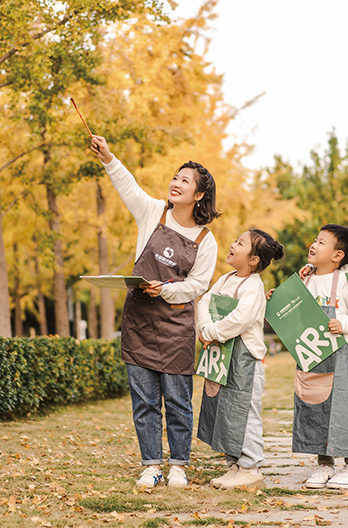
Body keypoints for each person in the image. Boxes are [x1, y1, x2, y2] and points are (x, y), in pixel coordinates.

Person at [90, 135, 220, 488]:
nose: (175, 183)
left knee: (178, 401)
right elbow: (127, 186)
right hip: (138, 322)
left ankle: (178, 464)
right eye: (175, 177)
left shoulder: (206, 240)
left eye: (184, 181)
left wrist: (166, 290)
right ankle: (151, 464)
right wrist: (108, 157)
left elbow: (197, 285)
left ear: (199, 195)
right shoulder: (152, 212)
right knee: (144, 400)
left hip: (176, 326)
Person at [278, 225, 348, 489]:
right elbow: (291, 311)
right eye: (315, 240)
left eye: (321, 242)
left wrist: (345, 324)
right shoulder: (304, 279)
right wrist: (277, 300)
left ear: (337, 255)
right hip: (311, 354)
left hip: (340, 352)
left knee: (345, 409)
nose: (313, 245)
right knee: (314, 407)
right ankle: (325, 464)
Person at [197, 229, 284, 490]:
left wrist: (211, 332)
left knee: (244, 412)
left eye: (240, 243)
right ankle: (234, 465)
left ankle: (251, 467)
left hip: (244, 359)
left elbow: (240, 319)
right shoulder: (224, 279)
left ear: (254, 259)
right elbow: (205, 302)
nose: (233, 244)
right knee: (224, 412)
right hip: (222, 356)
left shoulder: (254, 286)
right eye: (235, 240)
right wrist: (204, 328)